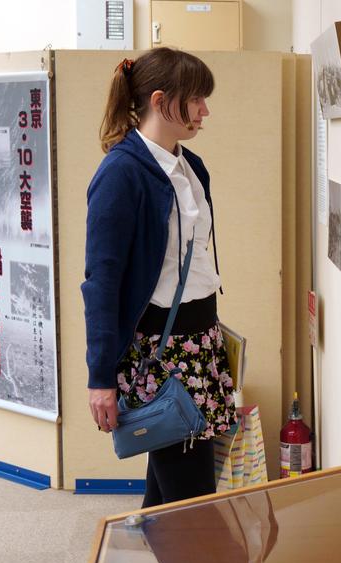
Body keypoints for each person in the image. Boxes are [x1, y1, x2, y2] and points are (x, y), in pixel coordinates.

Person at [83, 47, 237, 508]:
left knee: (171, 489)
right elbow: (101, 283)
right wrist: (100, 377)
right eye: (196, 100)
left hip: (199, 340)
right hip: (164, 353)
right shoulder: (120, 172)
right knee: (192, 503)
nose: (205, 110)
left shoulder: (191, 167)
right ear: (159, 100)